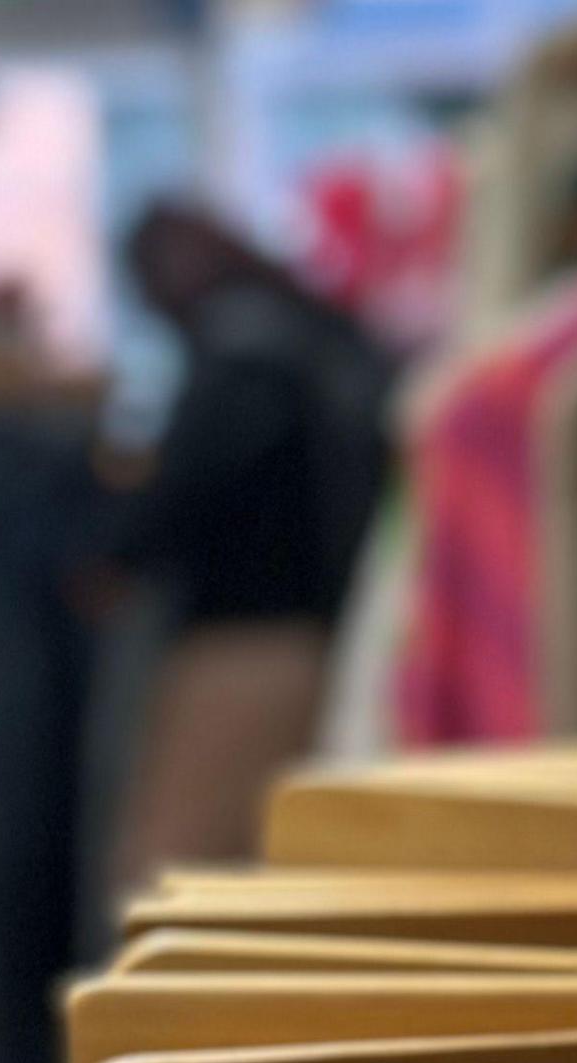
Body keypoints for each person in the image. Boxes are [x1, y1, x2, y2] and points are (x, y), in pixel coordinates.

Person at [101, 200, 396, 892]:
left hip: (243, 644)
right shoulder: (319, 331)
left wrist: (113, 552)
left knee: (172, 875)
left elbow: (191, 485)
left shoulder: (243, 355)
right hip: (327, 633)